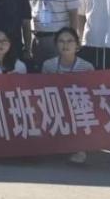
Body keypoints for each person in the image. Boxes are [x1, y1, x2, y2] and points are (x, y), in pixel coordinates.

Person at [41, 27, 95, 165]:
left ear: (77, 44)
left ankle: (80, 149)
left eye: (70, 41)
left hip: (77, 105)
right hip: (55, 104)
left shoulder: (87, 67)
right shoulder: (48, 65)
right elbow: (42, 90)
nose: (65, 45)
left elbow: (91, 93)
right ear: (56, 45)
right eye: (61, 41)